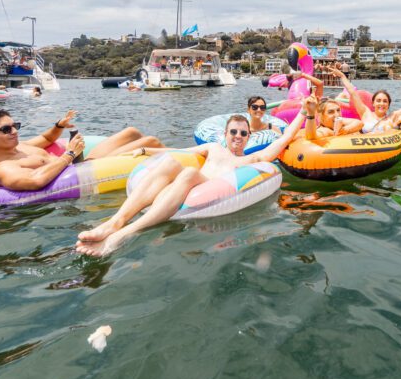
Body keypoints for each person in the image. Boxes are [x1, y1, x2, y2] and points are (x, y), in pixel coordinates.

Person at [75, 95, 318, 257]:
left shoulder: (251, 160)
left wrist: (306, 113)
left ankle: (123, 234)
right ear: (225, 133)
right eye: (233, 131)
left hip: (205, 189)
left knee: (190, 171)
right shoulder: (213, 148)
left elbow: (285, 138)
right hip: (184, 187)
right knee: (171, 163)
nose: (237, 136)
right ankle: (115, 221)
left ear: (248, 137)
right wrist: (146, 150)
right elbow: (177, 152)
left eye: (243, 133)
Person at [0, 109, 165, 192]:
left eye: (15, 126)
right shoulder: (1, 168)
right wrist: (69, 154)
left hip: (78, 163)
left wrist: (59, 125)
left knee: (131, 132)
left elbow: (47, 139)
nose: (14, 132)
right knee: (150, 141)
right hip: (80, 171)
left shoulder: (18, 146)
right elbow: (35, 181)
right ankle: (183, 164)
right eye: (6, 129)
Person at [329, 66, 401, 133]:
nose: (381, 103)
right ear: (373, 103)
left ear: (388, 105)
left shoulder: (393, 116)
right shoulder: (365, 113)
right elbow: (353, 93)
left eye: (385, 101)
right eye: (378, 100)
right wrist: (342, 76)